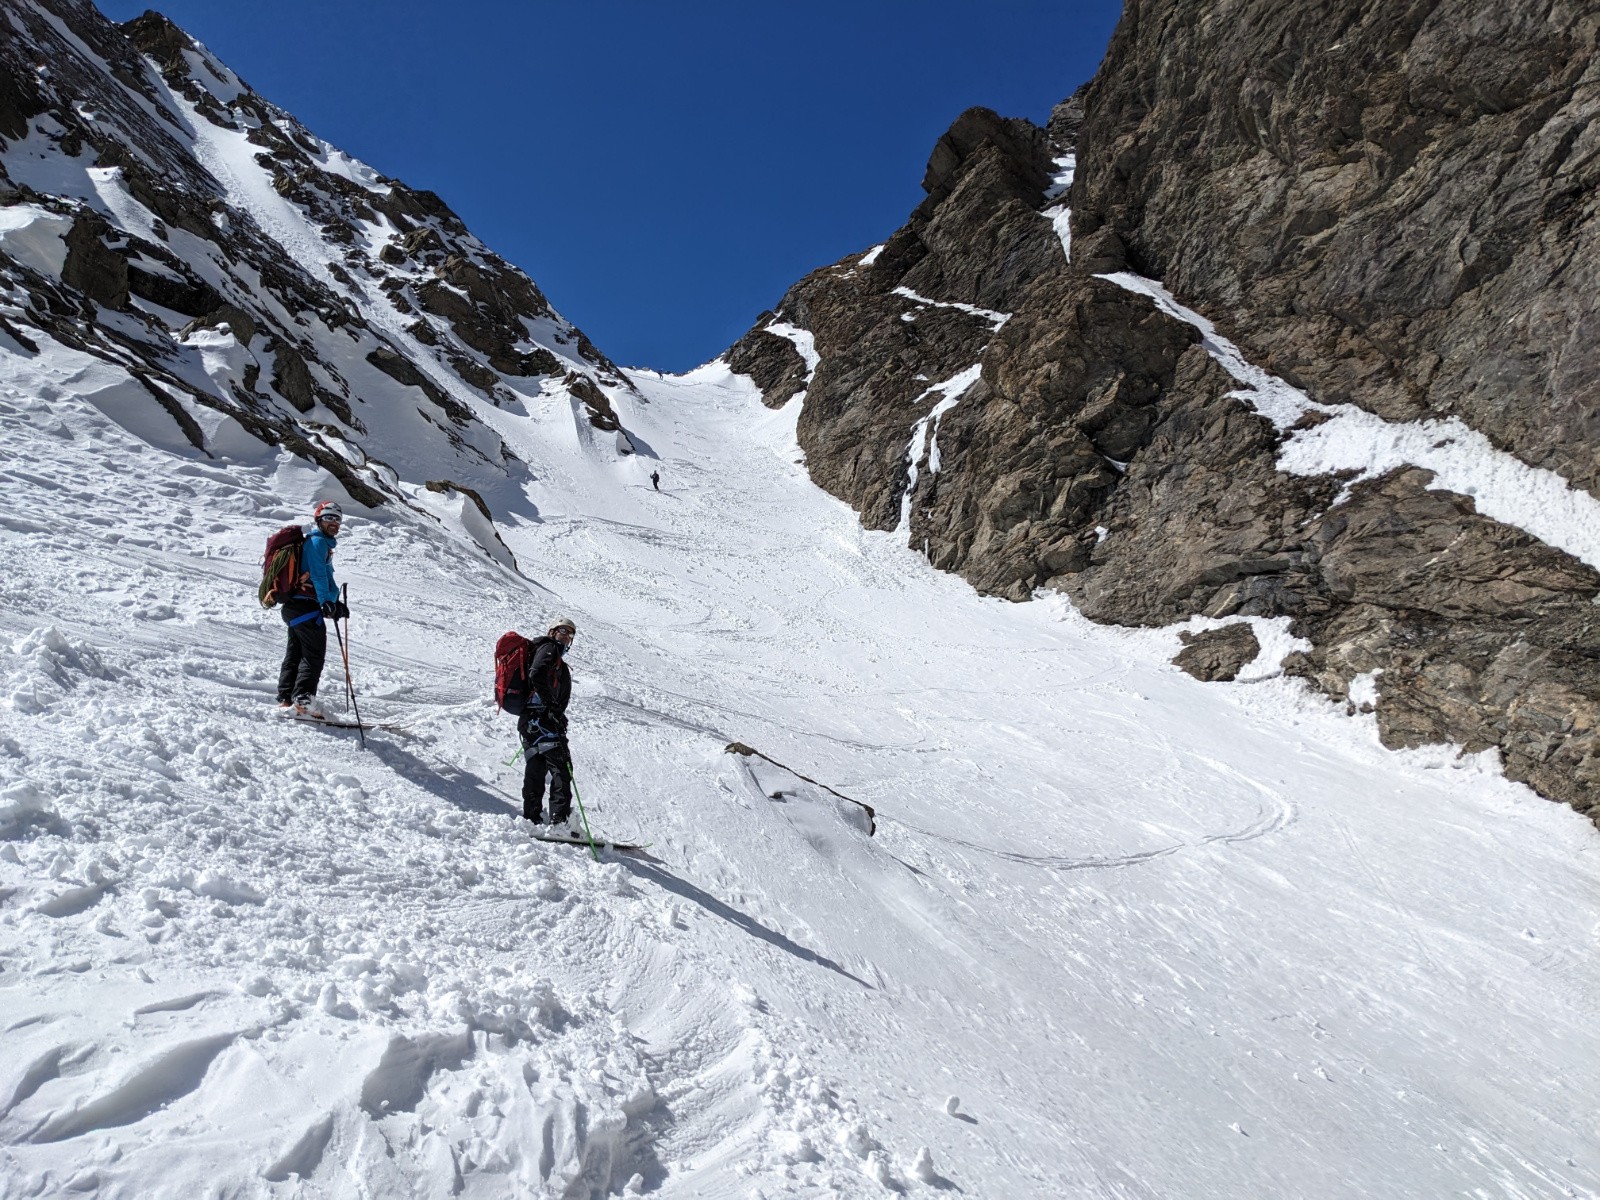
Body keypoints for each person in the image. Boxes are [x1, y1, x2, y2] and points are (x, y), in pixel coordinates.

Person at [276, 499, 348, 718]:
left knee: (296, 652)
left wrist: (334, 603)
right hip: (306, 606)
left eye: (337, 518)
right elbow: (317, 575)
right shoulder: (317, 543)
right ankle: (303, 700)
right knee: (313, 655)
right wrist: (326, 602)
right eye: (328, 518)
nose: (333, 522)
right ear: (318, 520)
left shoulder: (317, 544)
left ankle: (286, 698)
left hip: (294, 608)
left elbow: (326, 578)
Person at [516, 617, 576, 827]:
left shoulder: (544, 650)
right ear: (552, 632)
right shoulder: (549, 649)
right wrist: (553, 709)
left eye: (570, 634)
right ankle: (559, 823)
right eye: (562, 631)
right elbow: (536, 674)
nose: (566, 636)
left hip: (531, 722)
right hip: (544, 721)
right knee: (561, 768)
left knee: (536, 767)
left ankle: (532, 818)